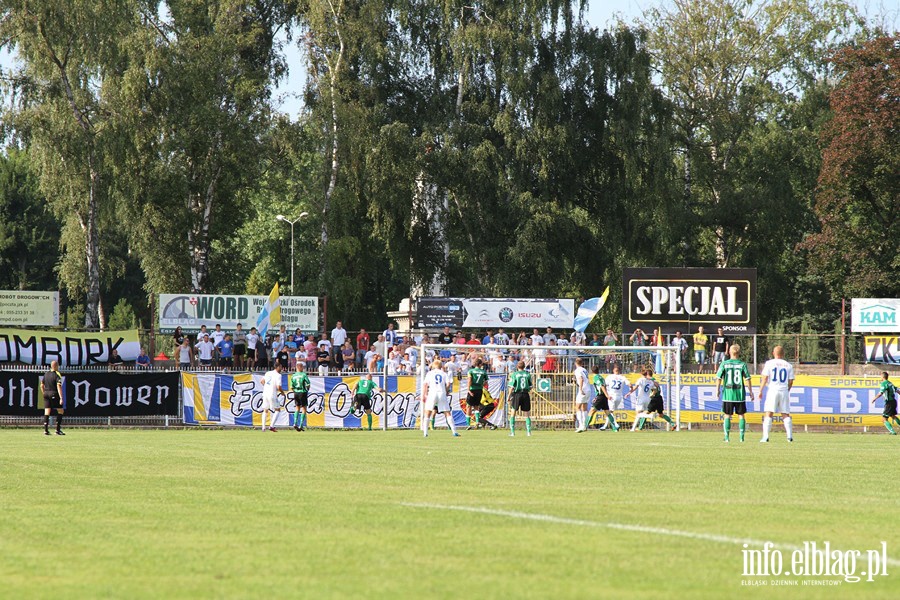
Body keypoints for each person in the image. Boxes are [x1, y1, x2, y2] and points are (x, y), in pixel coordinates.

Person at [716, 344, 754, 443]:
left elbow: (718, 378)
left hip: (728, 394)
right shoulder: (742, 364)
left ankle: (727, 437)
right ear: (739, 353)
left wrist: (717, 390)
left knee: (727, 415)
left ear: (729, 352)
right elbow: (748, 379)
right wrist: (751, 392)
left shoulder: (724, 364)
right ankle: (741, 438)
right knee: (741, 415)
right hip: (739, 395)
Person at [757, 345, 795, 442]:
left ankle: (765, 437)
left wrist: (760, 390)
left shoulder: (769, 363)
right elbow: (790, 381)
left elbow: (765, 378)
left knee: (769, 413)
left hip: (773, 390)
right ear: (783, 354)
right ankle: (789, 437)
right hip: (783, 390)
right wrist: (787, 390)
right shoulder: (788, 365)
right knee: (785, 414)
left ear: (773, 353)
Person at [421, 360, 458, 438]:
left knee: (428, 412)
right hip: (441, 393)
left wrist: (424, 395)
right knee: (447, 412)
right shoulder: (444, 374)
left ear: (433, 366)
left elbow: (425, 384)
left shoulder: (430, 373)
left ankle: (425, 433)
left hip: (432, 393)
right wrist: (446, 390)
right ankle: (454, 432)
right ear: (441, 366)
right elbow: (448, 383)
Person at [507, 360, 533, 437]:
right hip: (525, 394)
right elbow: (531, 386)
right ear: (524, 366)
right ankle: (528, 432)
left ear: (517, 367)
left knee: (513, 413)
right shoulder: (527, 374)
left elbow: (511, 387)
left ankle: (512, 432)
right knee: (527, 414)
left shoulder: (514, 374)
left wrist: (508, 396)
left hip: (516, 394)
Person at [259, 363, 285, 432]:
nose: (281, 368)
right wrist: (282, 393)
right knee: (277, 409)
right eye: (281, 367)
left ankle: (263, 427)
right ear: (277, 367)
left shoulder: (268, 373)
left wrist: (267, 387)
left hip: (265, 393)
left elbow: (261, 381)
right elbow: (278, 386)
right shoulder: (278, 375)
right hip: (272, 394)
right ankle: (271, 426)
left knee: (265, 410)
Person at [42, 360, 65, 436]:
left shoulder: (46, 374)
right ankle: (57, 430)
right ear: (55, 366)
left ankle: (45, 430)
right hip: (54, 393)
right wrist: (61, 397)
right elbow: (59, 386)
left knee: (47, 411)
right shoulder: (57, 374)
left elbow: (41, 385)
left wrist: (43, 393)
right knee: (60, 411)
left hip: (46, 393)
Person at [465, 358, 488, 429]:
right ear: (480, 364)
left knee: (468, 406)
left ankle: (468, 424)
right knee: (476, 406)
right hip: (479, 390)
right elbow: (486, 382)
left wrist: (468, 389)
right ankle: (477, 422)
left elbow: (469, 380)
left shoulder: (471, 371)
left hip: (472, 389)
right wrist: (480, 385)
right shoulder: (483, 372)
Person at [290, 362, 312, 431]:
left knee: (297, 408)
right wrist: (307, 389)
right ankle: (301, 425)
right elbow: (308, 383)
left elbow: (291, 387)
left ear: (296, 368)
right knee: (304, 409)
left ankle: (295, 423)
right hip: (302, 392)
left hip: (296, 392)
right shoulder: (303, 375)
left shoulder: (293, 376)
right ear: (301, 367)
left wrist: (295, 391)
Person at [571, 357, 590, 432]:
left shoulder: (577, 370)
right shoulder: (584, 370)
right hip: (588, 389)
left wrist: (581, 389)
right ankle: (585, 426)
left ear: (575, 363)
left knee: (578, 407)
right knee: (584, 407)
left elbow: (581, 379)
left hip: (583, 389)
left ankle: (581, 425)